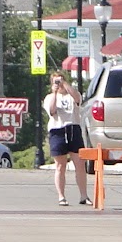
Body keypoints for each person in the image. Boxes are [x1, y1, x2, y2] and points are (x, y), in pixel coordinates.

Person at [44, 72, 89, 207]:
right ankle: (61, 196)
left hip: (73, 129)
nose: (59, 84)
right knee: (60, 166)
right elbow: (52, 111)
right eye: (55, 81)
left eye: (60, 81)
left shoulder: (72, 94)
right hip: (57, 130)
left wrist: (65, 84)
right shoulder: (49, 97)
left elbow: (77, 99)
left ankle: (84, 195)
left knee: (80, 164)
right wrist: (55, 93)